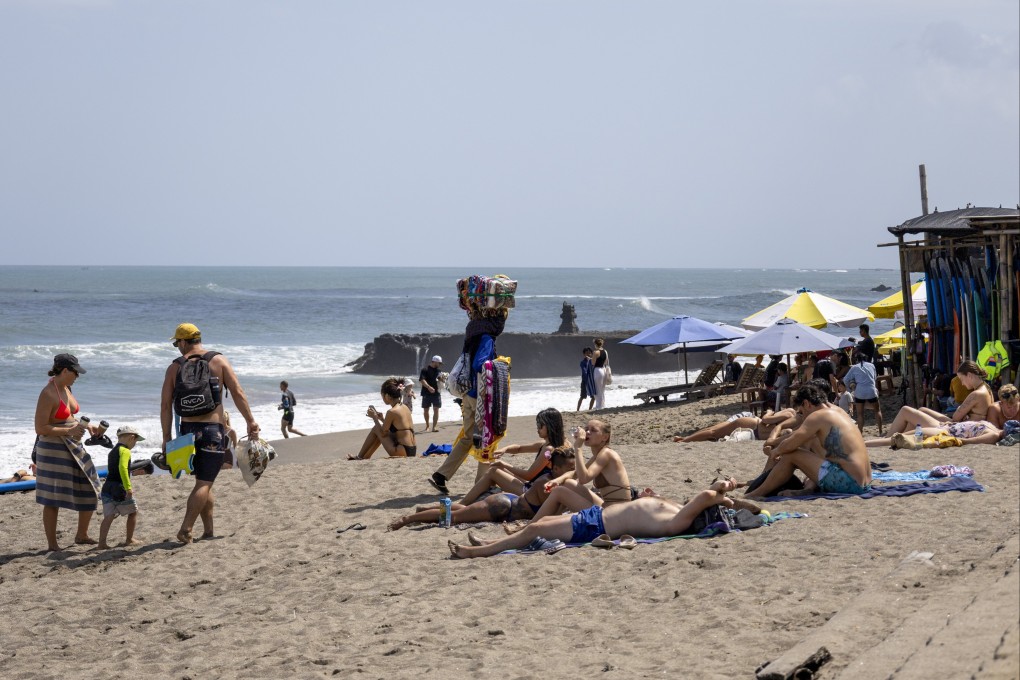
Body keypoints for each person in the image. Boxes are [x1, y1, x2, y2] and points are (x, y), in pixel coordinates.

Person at [447, 477, 742, 559]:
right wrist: (728, 494)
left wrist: (723, 490)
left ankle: (477, 551)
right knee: (535, 527)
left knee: (534, 528)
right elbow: (703, 498)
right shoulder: (677, 508)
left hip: (595, 526)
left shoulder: (679, 522)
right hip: (596, 516)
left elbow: (706, 496)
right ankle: (493, 541)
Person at [161, 323, 260, 544]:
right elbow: (237, 392)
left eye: (177, 343)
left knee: (203, 481)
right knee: (204, 482)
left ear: (184, 342)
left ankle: (208, 531)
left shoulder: (174, 367)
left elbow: (165, 405)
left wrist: (166, 438)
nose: (177, 347)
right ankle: (186, 528)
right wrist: (250, 421)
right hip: (212, 430)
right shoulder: (218, 361)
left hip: (186, 431)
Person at [390, 446, 575, 531]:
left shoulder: (557, 481)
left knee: (465, 510)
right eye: (570, 468)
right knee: (454, 517)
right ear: (556, 468)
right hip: (504, 507)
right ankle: (408, 519)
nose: (574, 471)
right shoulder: (547, 484)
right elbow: (544, 516)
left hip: (510, 502)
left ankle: (425, 510)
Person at [427, 309, 507, 495]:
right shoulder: (487, 338)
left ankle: (441, 475)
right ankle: (482, 483)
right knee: (488, 437)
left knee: (468, 438)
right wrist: (500, 363)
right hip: (480, 396)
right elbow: (481, 364)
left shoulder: (472, 337)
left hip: (467, 394)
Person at [745, 384, 872, 498]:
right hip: (864, 484)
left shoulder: (817, 416)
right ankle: (805, 489)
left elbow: (791, 443)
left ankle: (756, 493)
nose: (802, 416)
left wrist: (775, 452)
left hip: (850, 484)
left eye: (801, 411)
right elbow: (798, 438)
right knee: (809, 448)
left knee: (792, 454)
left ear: (806, 403)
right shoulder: (837, 412)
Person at [34, 353, 102, 551]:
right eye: (75, 372)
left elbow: (70, 416)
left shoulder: (67, 387)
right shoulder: (48, 393)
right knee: (52, 497)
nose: (77, 377)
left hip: (73, 446)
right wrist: (69, 431)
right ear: (65, 371)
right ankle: (52, 545)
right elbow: (40, 427)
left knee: (90, 486)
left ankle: (81, 535)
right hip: (52, 450)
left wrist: (87, 427)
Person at [516, 419, 631, 526]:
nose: (587, 432)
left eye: (593, 430)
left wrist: (578, 448)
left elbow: (583, 479)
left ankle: (531, 526)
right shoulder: (598, 455)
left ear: (604, 437)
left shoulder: (606, 454)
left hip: (616, 513)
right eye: (586, 429)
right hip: (607, 506)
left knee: (560, 492)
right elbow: (575, 474)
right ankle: (536, 524)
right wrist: (557, 480)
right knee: (567, 483)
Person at [455, 408, 566, 507]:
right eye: (537, 424)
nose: (538, 428)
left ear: (551, 426)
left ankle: (463, 504)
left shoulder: (548, 450)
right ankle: (482, 497)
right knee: (497, 470)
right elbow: (519, 448)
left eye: (540, 425)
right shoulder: (550, 444)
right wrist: (505, 449)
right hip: (535, 486)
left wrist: (504, 464)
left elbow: (529, 475)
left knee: (493, 471)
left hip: (532, 492)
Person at [97, 426, 145, 549]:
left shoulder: (112, 452)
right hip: (119, 487)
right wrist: (128, 487)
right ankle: (129, 539)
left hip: (107, 487)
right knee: (133, 512)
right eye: (135, 441)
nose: (134, 443)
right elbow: (123, 469)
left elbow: (113, 470)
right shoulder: (125, 451)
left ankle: (102, 543)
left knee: (108, 516)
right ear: (131, 437)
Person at [348, 378, 417, 459]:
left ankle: (359, 456)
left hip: (401, 450)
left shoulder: (392, 411)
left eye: (382, 395)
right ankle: (365, 457)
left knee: (376, 429)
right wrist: (382, 419)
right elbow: (398, 429)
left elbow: (383, 434)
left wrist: (374, 418)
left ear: (387, 396)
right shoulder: (405, 407)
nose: (382, 398)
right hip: (412, 450)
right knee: (379, 428)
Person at [674, 408, 796, 442]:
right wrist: (769, 412)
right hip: (753, 426)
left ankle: (686, 439)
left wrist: (769, 411)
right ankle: (685, 440)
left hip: (755, 428)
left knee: (714, 431)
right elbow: (765, 420)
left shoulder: (794, 420)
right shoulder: (790, 414)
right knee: (713, 432)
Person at [842, 352, 882, 435]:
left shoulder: (854, 367)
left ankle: (860, 432)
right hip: (871, 390)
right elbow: (874, 378)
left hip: (859, 391)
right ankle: (880, 431)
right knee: (877, 410)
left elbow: (845, 379)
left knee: (860, 414)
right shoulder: (872, 365)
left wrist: (849, 389)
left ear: (857, 359)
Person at [419, 355, 443, 432]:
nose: (439, 365)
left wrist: (443, 379)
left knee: (436, 409)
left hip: (436, 393)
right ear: (434, 362)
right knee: (426, 410)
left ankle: (434, 427)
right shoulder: (424, 370)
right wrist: (429, 387)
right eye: (439, 363)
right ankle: (427, 425)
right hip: (426, 393)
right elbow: (422, 380)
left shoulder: (438, 371)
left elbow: (440, 381)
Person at [591, 338, 610, 410]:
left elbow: (593, 363)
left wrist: (591, 358)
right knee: (602, 389)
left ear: (595, 344)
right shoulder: (605, 351)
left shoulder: (595, 352)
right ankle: (602, 405)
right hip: (604, 369)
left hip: (597, 370)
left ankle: (598, 406)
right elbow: (606, 362)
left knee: (597, 389)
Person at [577, 347, 596, 412]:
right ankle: (577, 410)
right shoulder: (583, 362)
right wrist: (587, 379)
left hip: (592, 381)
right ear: (584, 354)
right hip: (585, 381)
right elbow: (584, 371)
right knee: (582, 396)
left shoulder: (593, 361)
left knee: (593, 397)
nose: (588, 354)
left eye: (589, 353)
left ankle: (590, 409)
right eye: (586, 353)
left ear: (591, 353)